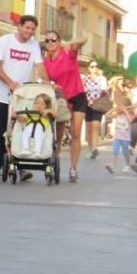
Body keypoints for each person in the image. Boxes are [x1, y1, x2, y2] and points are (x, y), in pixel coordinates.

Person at [0, 15, 49, 181]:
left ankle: (20, 166)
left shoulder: (34, 45)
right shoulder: (5, 40)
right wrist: (10, 82)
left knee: (22, 129)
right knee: (2, 131)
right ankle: (2, 165)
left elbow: (40, 65)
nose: (29, 32)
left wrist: (46, 81)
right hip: (2, 94)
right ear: (19, 26)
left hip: (22, 96)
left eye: (32, 29)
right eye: (27, 28)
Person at [42, 30, 88, 182]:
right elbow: (47, 81)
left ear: (59, 41)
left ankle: (73, 168)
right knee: (58, 135)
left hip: (77, 95)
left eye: (53, 40)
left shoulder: (68, 51)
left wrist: (68, 43)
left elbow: (83, 38)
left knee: (75, 133)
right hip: (61, 99)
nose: (50, 43)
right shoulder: (46, 61)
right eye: (47, 41)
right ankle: (53, 162)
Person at [81, 61, 109, 158]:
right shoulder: (85, 78)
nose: (94, 68)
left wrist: (102, 93)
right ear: (89, 68)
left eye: (96, 66)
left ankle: (94, 148)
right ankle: (89, 149)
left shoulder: (102, 79)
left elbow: (105, 90)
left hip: (98, 104)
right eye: (92, 66)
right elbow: (81, 89)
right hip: (87, 104)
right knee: (88, 128)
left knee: (95, 126)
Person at [104, 96, 134, 174]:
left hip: (126, 138)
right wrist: (114, 109)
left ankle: (128, 164)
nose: (120, 108)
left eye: (121, 106)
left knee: (125, 152)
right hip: (117, 137)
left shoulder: (129, 114)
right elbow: (107, 115)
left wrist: (126, 111)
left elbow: (130, 120)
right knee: (115, 151)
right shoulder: (117, 114)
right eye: (119, 106)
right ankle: (112, 165)